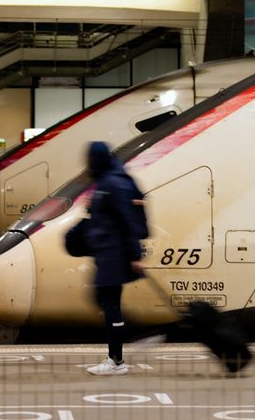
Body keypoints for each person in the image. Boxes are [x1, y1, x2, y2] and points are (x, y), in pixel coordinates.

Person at [83, 141, 149, 376]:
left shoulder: (112, 183)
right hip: (108, 254)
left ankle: (118, 360)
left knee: (108, 303)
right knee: (104, 300)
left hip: (115, 254)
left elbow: (126, 220)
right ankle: (131, 341)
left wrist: (134, 255)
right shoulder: (107, 181)